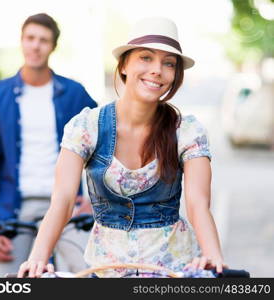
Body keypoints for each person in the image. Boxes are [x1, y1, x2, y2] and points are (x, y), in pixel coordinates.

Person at [17, 17, 227, 278]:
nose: (157, 70)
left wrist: (213, 255)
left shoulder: (186, 130)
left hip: (171, 269)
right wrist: (37, 258)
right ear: (124, 64)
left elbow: (198, 204)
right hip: (106, 271)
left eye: (168, 63)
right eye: (146, 58)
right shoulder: (86, 126)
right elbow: (62, 200)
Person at [0, 13, 97, 277]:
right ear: (21, 42)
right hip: (14, 209)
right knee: (1, 282)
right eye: (30, 38)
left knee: (92, 272)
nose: (35, 46)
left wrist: (93, 202)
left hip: (67, 205)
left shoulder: (74, 94)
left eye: (43, 40)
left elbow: (106, 148)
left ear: (53, 46)